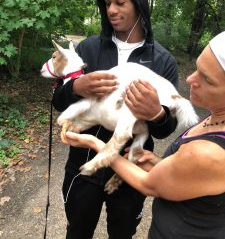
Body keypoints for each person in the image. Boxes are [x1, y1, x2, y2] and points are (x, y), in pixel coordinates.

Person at [53, 0, 179, 239]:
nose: (111, 10)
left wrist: (157, 114)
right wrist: (75, 86)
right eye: (107, 3)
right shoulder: (88, 49)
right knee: (77, 231)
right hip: (83, 163)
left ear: (138, 4)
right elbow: (58, 101)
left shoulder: (162, 61)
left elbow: (165, 129)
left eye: (120, 2)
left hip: (130, 169)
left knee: (122, 233)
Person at [64, 31, 225, 239]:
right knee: (78, 228)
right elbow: (195, 176)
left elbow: (151, 184)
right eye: (196, 69)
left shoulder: (208, 151)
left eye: (208, 80)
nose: (190, 79)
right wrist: (75, 88)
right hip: (164, 225)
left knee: (122, 228)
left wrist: (97, 144)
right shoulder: (214, 120)